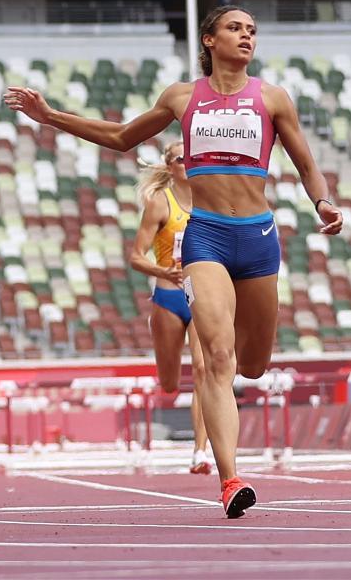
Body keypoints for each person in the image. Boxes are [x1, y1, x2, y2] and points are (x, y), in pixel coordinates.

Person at [5, 6, 343, 518]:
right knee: (217, 358)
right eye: (235, 28)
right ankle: (230, 480)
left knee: (253, 365)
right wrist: (51, 117)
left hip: (258, 237)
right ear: (209, 39)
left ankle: (230, 440)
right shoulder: (182, 98)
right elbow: (122, 137)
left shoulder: (272, 99)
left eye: (252, 30)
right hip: (205, 236)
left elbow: (307, 164)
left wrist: (323, 203)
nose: (247, 36)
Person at [129, 141, 211, 475]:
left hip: (199, 291)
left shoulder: (211, 200)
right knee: (169, 382)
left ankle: (200, 451)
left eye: (193, 157)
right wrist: (163, 272)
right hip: (168, 293)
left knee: (204, 370)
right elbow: (135, 256)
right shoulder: (160, 203)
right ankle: (166, 368)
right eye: (181, 158)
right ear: (170, 167)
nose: (188, 162)